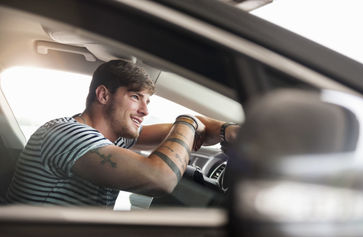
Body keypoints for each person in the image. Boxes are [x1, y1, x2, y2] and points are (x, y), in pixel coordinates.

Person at [6, 60, 239, 207]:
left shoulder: (116, 137)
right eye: (135, 97)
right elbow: (160, 179)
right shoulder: (66, 134)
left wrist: (226, 130)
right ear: (104, 95)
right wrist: (188, 120)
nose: (145, 110)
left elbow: (197, 132)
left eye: (147, 101)